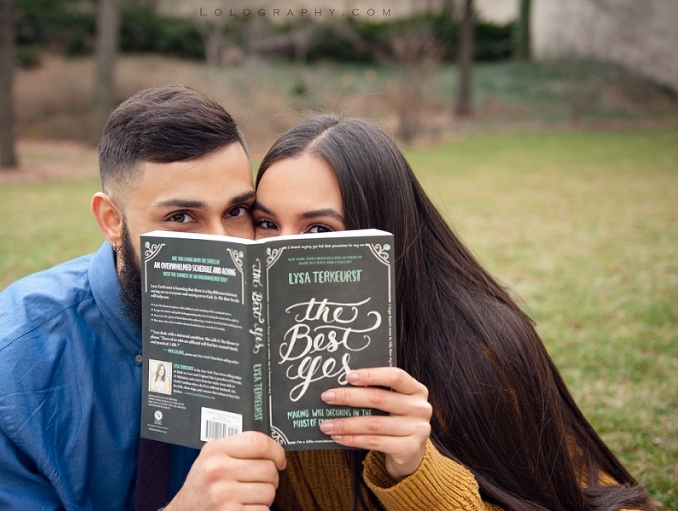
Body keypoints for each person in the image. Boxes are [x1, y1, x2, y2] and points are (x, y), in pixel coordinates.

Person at [253, 115, 652, 511]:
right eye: (266, 223)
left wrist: (415, 471)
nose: (282, 256)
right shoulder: (258, 344)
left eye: (320, 230)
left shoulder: (482, 355)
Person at [0, 85, 287, 511]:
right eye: (181, 217)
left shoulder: (277, 333)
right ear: (111, 220)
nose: (224, 251)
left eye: (236, 211)